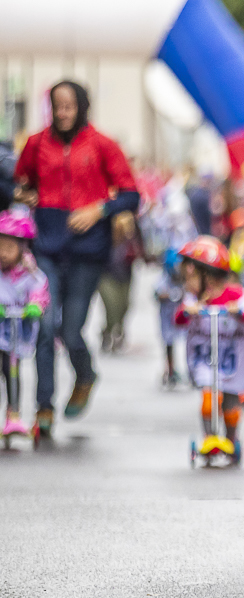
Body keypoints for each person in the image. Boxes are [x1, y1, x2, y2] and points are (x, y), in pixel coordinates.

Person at [13, 80, 140, 439]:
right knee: (44, 325)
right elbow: (18, 181)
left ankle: (85, 374)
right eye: (57, 106)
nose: (63, 113)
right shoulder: (37, 143)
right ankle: (43, 407)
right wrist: (23, 194)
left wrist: (99, 209)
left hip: (87, 250)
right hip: (47, 247)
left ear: (83, 106)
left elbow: (132, 195)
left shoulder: (102, 145)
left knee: (71, 331)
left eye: (70, 106)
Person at [174, 236, 244, 447]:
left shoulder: (236, 295)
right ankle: (209, 439)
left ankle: (231, 440)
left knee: (231, 401)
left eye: (192, 277)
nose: (188, 284)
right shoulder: (194, 300)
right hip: (207, 358)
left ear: (209, 277)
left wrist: (238, 311)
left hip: (232, 360)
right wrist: (188, 311)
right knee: (208, 396)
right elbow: (179, 319)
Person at [0, 209, 49, 434]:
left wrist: (35, 305)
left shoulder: (29, 273)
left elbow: (40, 287)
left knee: (12, 372)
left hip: (14, 333)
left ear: (22, 250)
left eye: (9, 249)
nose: (3, 254)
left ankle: (14, 413)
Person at [98, 211, 145, 354]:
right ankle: (109, 332)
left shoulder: (132, 235)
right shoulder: (105, 235)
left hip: (125, 273)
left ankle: (116, 332)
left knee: (125, 305)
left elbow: (142, 247)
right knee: (112, 306)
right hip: (106, 275)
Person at [155, 247, 186, 388]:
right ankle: (170, 369)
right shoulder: (165, 278)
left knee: (189, 343)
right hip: (167, 319)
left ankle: (191, 371)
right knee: (169, 344)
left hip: (184, 319)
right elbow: (157, 292)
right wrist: (171, 294)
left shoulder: (186, 280)